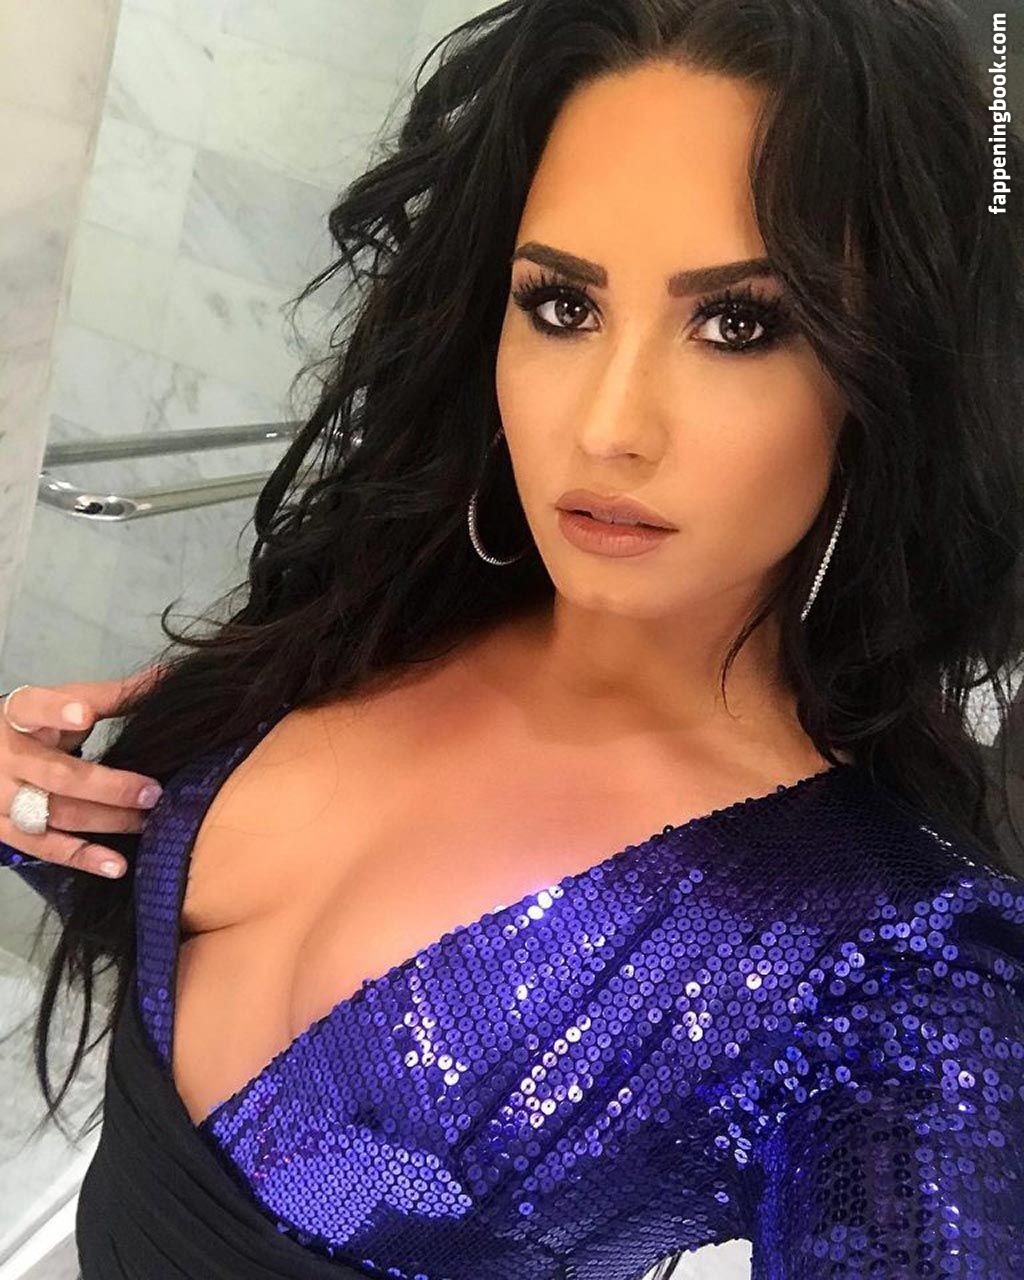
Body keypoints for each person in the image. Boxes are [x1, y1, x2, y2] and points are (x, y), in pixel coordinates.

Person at [2, 1, 1023, 1276]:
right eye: (560, 305)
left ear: (890, 378)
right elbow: (186, 964)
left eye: (739, 324)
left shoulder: (899, 965)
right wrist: (41, 803)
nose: (607, 426)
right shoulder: (367, 624)